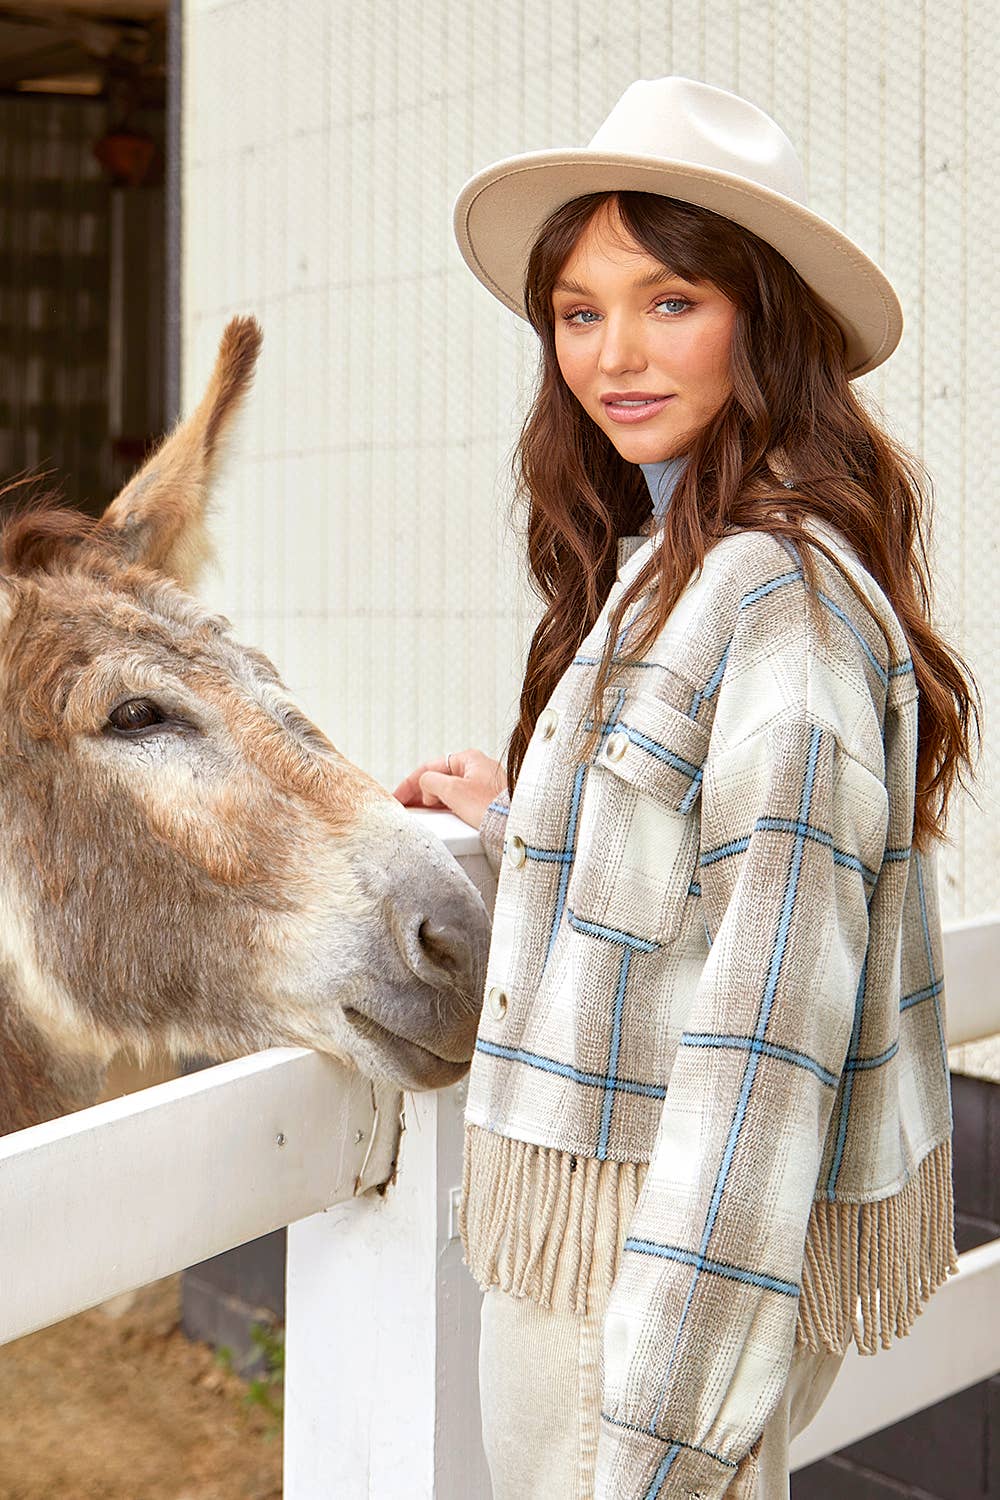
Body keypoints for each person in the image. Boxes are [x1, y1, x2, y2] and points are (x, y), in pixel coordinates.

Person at [394, 77, 979, 1500]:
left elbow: (767, 1038)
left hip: (641, 1288)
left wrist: (666, 1433)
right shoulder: (690, 560)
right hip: (621, 1255)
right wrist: (526, 812)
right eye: (579, 312)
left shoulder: (773, 596)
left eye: (670, 301)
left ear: (762, 318)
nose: (615, 355)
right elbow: (705, 866)